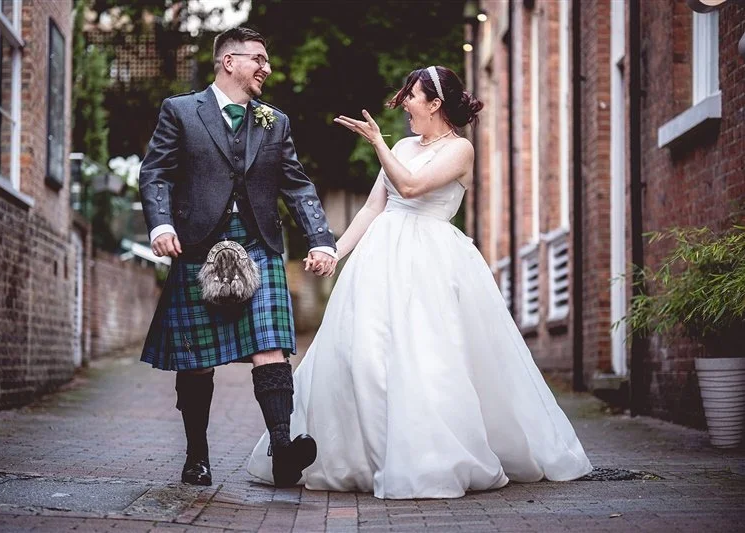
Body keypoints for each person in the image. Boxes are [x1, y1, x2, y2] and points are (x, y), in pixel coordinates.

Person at [247, 66, 592, 499]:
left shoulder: (461, 150)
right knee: (363, 356)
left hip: (430, 262)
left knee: (427, 358)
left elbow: (410, 188)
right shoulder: (406, 145)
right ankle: (366, 457)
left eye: (412, 96)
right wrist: (336, 250)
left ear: (436, 104)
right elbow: (374, 208)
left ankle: (427, 458)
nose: (405, 103)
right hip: (378, 262)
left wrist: (377, 143)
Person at [138, 26, 338, 488]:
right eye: (258, 60)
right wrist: (162, 224)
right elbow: (156, 173)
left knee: (270, 344)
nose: (266, 68)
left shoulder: (274, 121)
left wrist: (320, 239)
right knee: (197, 357)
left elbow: (296, 182)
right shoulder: (182, 111)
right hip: (197, 244)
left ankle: (283, 450)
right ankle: (197, 457)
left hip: (258, 243)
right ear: (229, 61)